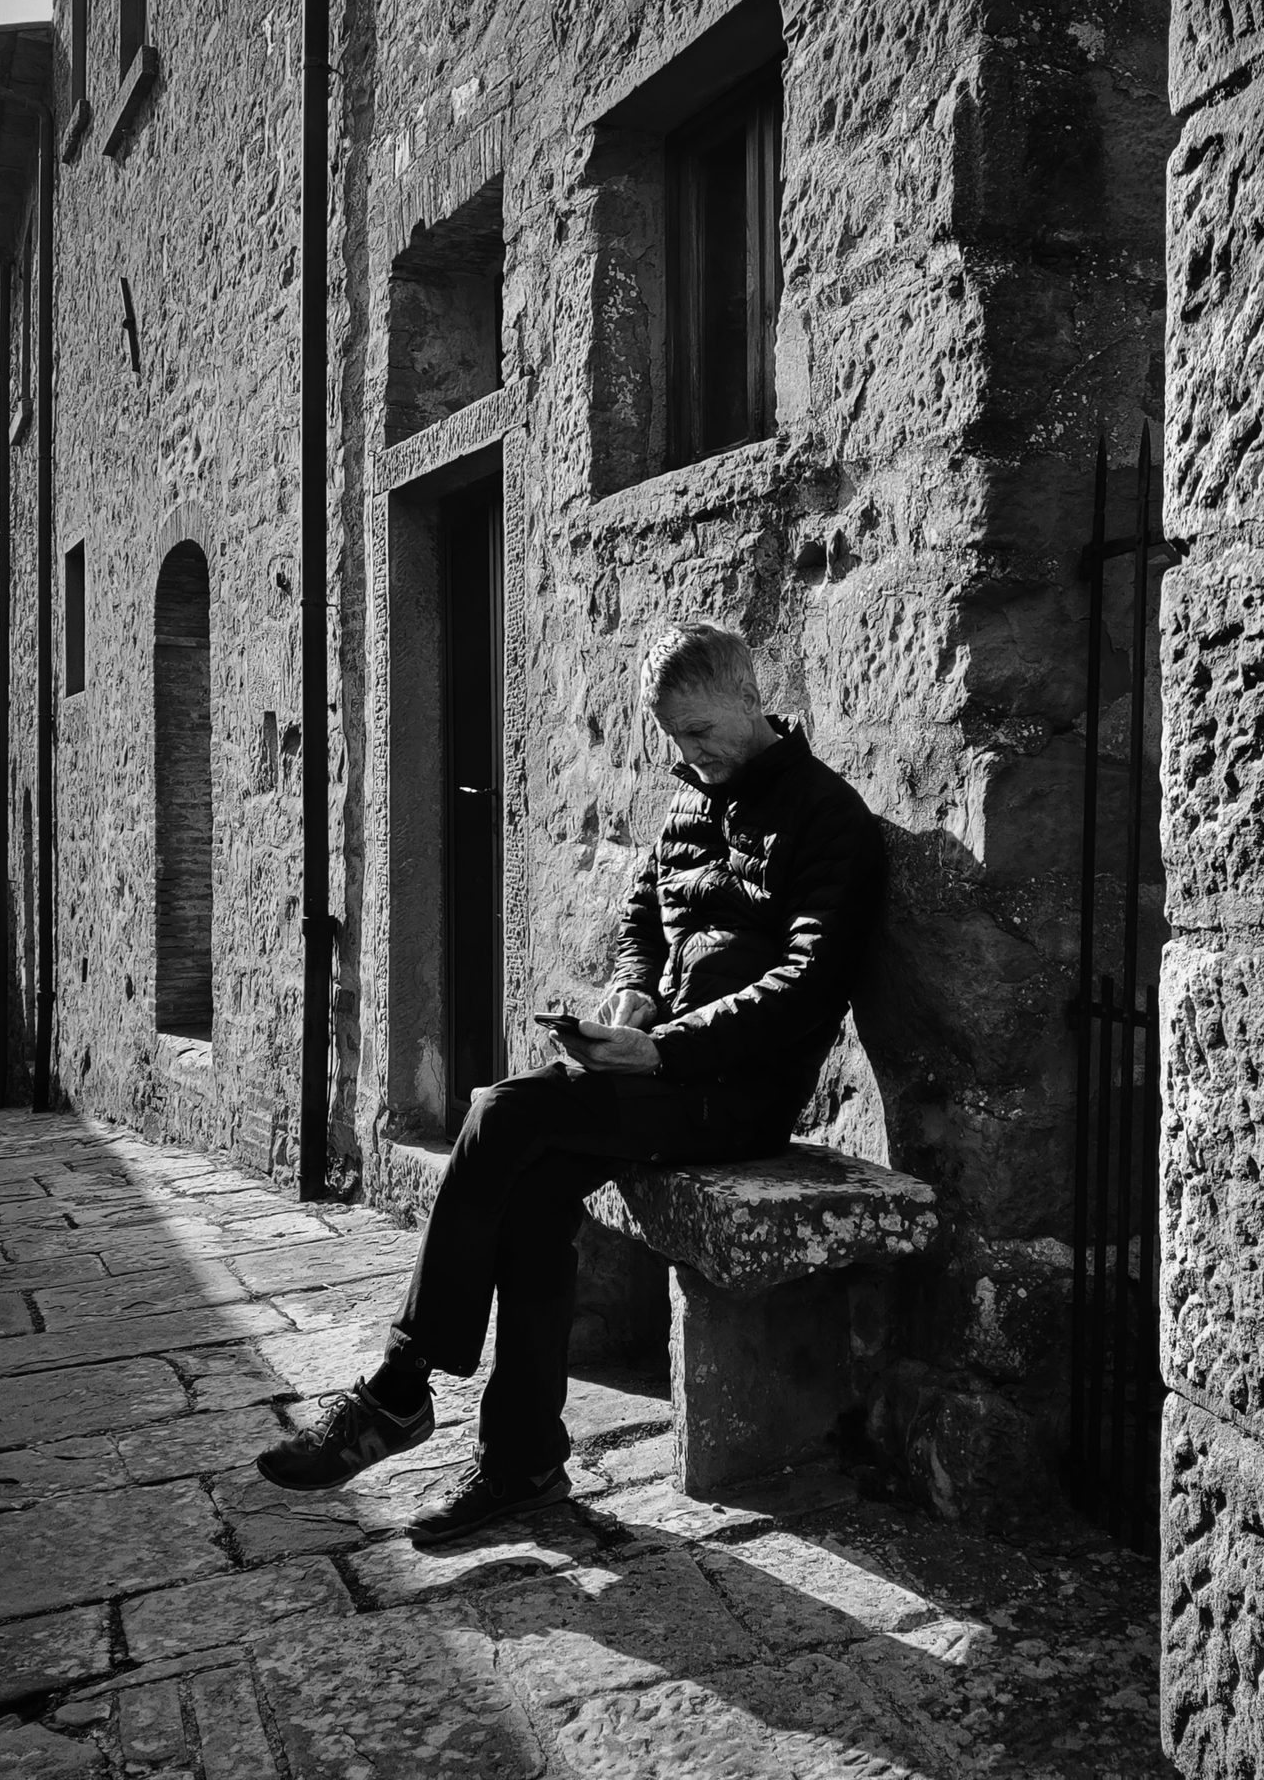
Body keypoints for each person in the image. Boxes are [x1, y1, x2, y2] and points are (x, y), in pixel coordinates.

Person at [255, 620, 885, 1543]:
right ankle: (523, 1466)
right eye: (671, 735)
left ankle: (399, 1389)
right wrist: (632, 994)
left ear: (755, 699)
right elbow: (642, 922)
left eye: (702, 731)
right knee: (535, 1186)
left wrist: (665, 1051)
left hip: (735, 1096)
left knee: (502, 1110)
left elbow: (806, 987)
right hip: (657, 1074)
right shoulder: (688, 809)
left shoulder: (831, 819)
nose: (689, 752)